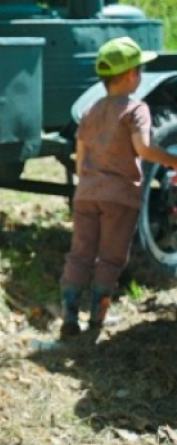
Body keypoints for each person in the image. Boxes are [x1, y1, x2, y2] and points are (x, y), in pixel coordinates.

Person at [58, 36, 177, 340]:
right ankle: (97, 322)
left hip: (86, 194)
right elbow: (144, 148)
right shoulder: (136, 109)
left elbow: (80, 156)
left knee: (80, 254)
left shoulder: (90, 110)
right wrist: (172, 161)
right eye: (139, 70)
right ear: (129, 76)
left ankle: (69, 316)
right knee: (110, 258)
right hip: (119, 198)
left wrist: (85, 185)